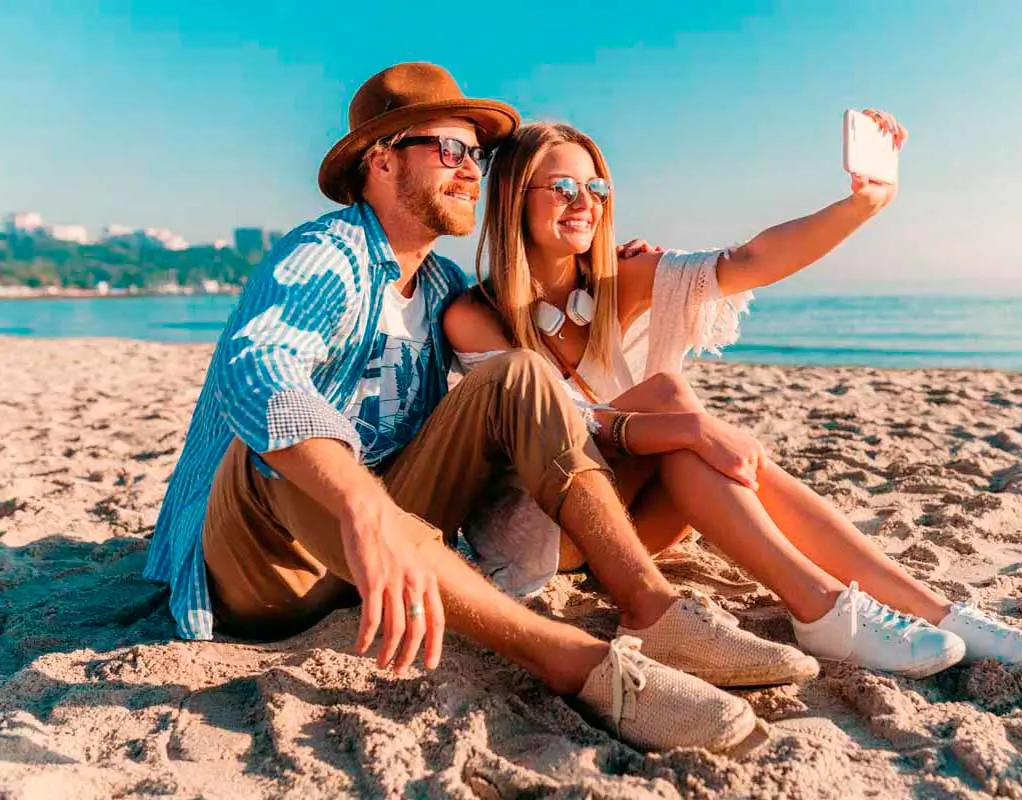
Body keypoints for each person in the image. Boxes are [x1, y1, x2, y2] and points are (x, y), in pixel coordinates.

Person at [142, 63, 831, 755]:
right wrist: (362, 504)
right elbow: (256, 367)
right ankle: (574, 662)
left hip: (384, 554)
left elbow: (532, 369)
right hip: (266, 569)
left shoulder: (444, 289)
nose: (472, 170)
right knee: (279, 448)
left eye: (476, 154)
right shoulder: (326, 254)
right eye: (450, 149)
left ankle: (651, 609)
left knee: (522, 374)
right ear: (382, 160)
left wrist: (605, 264)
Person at [444, 120, 1022, 678]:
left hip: (633, 521)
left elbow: (748, 259)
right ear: (511, 199)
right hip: (547, 529)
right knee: (673, 408)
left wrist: (862, 205)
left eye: (595, 187)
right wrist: (689, 430)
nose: (583, 201)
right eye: (561, 188)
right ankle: (824, 608)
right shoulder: (476, 314)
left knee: (674, 410)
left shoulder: (618, 278)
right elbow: (557, 428)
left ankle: (928, 608)